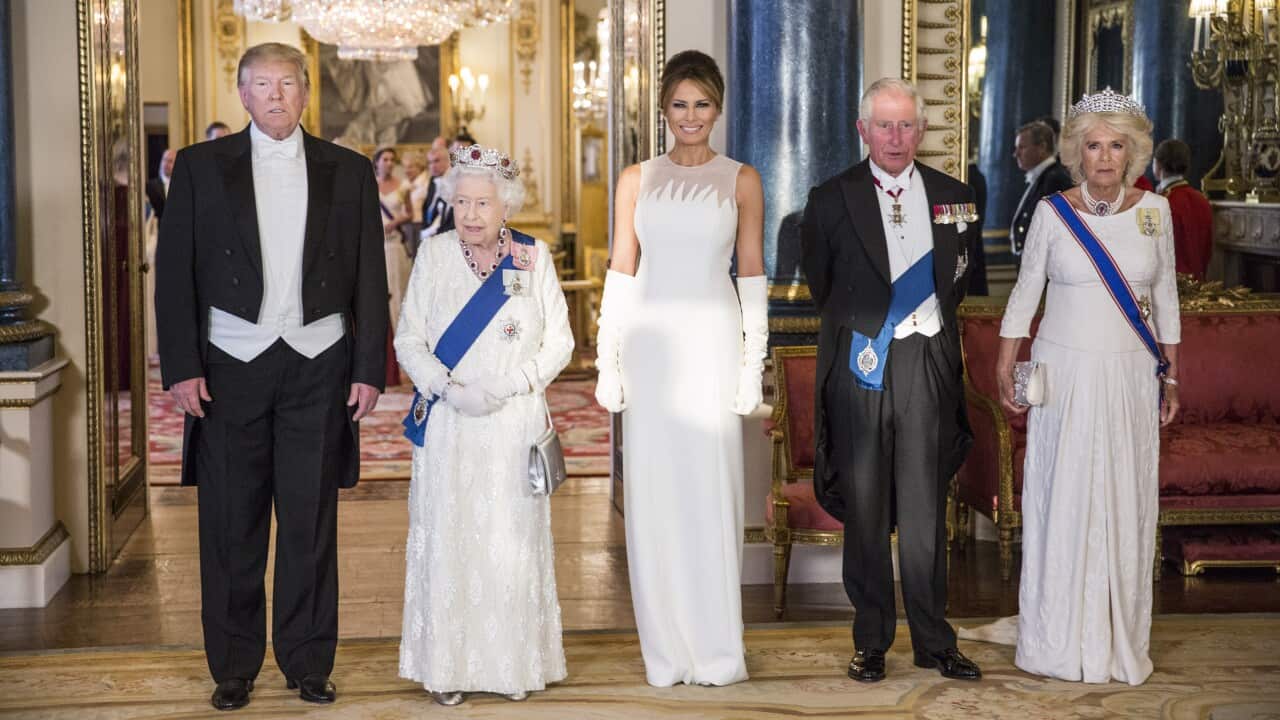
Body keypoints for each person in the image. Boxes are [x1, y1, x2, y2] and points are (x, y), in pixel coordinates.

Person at [154, 42, 388, 711]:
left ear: (306, 92)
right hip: (231, 366)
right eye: (263, 84)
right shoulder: (199, 169)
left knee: (310, 523)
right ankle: (233, 666)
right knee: (231, 522)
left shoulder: (348, 170)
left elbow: (370, 277)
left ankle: (308, 661)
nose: (276, 95)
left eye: (288, 83)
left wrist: (369, 367)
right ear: (243, 93)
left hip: (320, 363)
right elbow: (175, 279)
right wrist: (181, 367)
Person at [995, 89, 1180, 685]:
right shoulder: (1054, 213)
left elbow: (1167, 298)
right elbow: (1025, 295)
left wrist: (1170, 373)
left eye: (1116, 146)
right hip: (1067, 374)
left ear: (1133, 154)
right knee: (1065, 496)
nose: (1104, 158)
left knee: (1123, 499)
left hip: (1130, 373)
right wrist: (1007, 363)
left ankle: (1115, 636)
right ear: (1076, 152)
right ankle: (1056, 637)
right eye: (1093, 145)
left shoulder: (1157, 213)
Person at [593, 49, 766, 687]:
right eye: (678, 104)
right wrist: (608, 360)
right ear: (663, 109)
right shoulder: (634, 178)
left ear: (717, 108)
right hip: (652, 351)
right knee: (657, 501)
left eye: (701, 104)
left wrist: (752, 368)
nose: (690, 116)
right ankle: (666, 653)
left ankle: (718, 652)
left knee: (711, 497)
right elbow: (620, 272)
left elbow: (752, 278)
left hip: (715, 347)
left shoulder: (743, 178)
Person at [801, 77, 981, 684]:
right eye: (884, 125)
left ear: (921, 130)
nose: (896, 137)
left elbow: (960, 280)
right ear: (862, 130)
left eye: (907, 125)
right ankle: (872, 640)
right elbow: (822, 286)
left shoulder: (955, 196)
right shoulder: (830, 198)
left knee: (926, 507)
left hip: (927, 362)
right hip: (864, 364)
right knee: (869, 505)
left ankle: (935, 641)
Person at [395, 144, 572, 705]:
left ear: (506, 207)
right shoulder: (433, 255)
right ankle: (447, 669)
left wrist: (508, 385)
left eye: (483, 203)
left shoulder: (531, 257)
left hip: (512, 423)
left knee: (509, 543)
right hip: (450, 424)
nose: (471, 213)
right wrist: (447, 389)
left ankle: (512, 665)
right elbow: (408, 340)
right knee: (452, 543)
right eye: (462, 201)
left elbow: (560, 342)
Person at [1010, 121, 1074, 261]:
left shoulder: (1055, 179)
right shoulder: (1043, 177)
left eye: (1022, 147)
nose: (1016, 154)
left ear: (1042, 147)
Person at [1154, 139, 1213, 279]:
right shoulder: (1202, 200)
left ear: (1158, 165)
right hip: (1198, 286)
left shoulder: (1160, 203)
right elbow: (1207, 249)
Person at [374, 146, 412, 335]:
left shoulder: (403, 186)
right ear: (377, 162)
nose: (389, 163)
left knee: (397, 290)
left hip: (395, 244)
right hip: (376, 245)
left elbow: (409, 213)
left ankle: (399, 336)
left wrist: (395, 221)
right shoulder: (370, 184)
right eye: (385, 159)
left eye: (392, 160)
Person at [420, 145, 455, 239]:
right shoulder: (433, 179)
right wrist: (426, 229)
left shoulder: (455, 180)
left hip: (449, 235)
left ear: (447, 161)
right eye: (430, 162)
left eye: (436, 161)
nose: (432, 166)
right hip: (431, 232)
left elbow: (451, 215)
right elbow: (428, 206)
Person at [146, 148, 176, 220]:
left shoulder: (183, 186)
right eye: (164, 160)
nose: (166, 164)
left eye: (170, 161)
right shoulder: (150, 186)